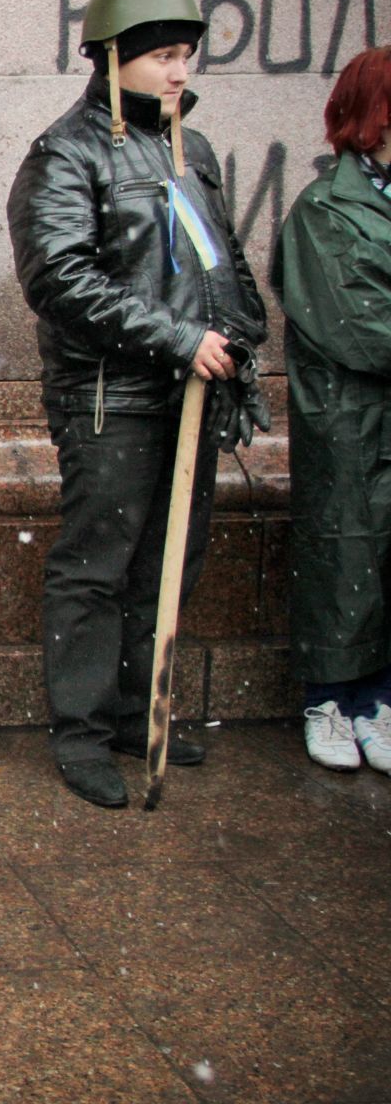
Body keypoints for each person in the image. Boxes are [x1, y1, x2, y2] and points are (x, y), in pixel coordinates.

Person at [9, 0, 268, 808]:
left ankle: (130, 711)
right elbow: (61, 279)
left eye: (187, 54)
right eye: (162, 55)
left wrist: (241, 333)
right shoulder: (64, 153)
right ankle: (80, 732)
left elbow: (219, 261)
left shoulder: (192, 154)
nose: (179, 70)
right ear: (114, 56)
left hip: (190, 396)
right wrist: (178, 339)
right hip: (110, 398)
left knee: (166, 564)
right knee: (97, 566)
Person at [275, 46, 391, 774]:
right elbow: (356, 323)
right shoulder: (327, 208)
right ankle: (332, 698)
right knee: (346, 553)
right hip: (349, 418)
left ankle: (377, 699)